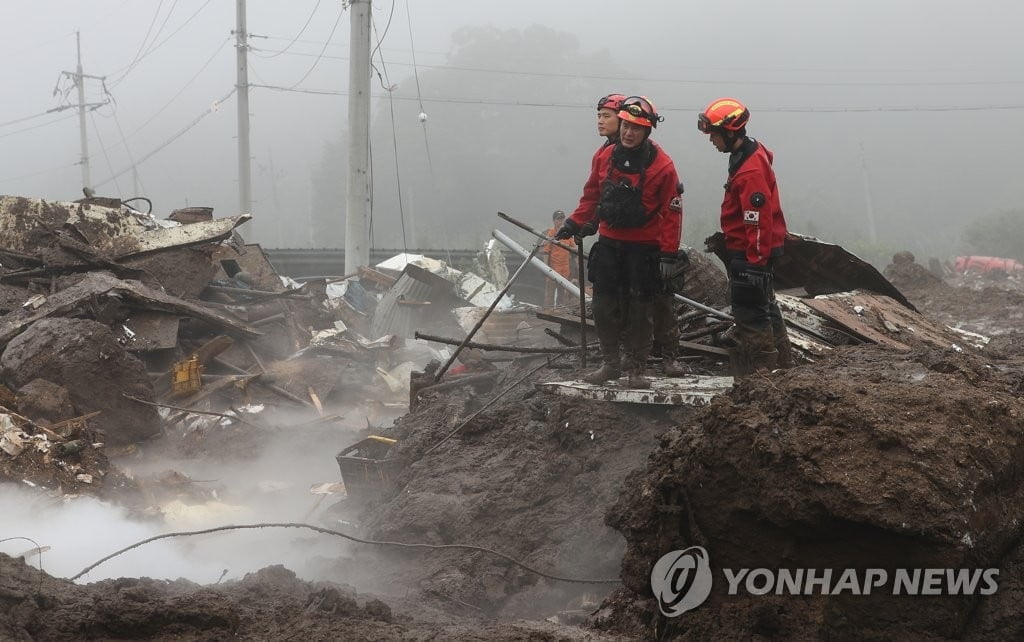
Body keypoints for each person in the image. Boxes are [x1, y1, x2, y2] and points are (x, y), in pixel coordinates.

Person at [556, 96, 682, 388]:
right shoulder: (604, 157)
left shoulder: (663, 166)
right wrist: (575, 222)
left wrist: (668, 254)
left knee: (640, 311)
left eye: (636, 128)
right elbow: (591, 196)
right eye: (625, 125)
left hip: (644, 249)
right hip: (610, 245)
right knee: (603, 306)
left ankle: (637, 370)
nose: (628, 132)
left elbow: (673, 213)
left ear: (647, 131)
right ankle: (610, 364)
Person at [697, 97, 793, 374]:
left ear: (730, 131)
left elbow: (757, 219)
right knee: (767, 305)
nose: (711, 140)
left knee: (750, 313)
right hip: (756, 248)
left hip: (752, 250)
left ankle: (762, 374)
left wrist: (755, 261)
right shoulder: (748, 154)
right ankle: (783, 367)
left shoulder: (750, 170)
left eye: (713, 134)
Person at [542, 210, 576, 307]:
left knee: (562, 295)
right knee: (549, 294)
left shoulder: (567, 234)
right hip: (553, 270)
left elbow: (575, 249)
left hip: (565, 270)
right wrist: (545, 269)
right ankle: (547, 312)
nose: (560, 221)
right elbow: (546, 252)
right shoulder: (551, 233)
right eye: (558, 219)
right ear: (554, 221)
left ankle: (561, 312)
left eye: (562, 219)